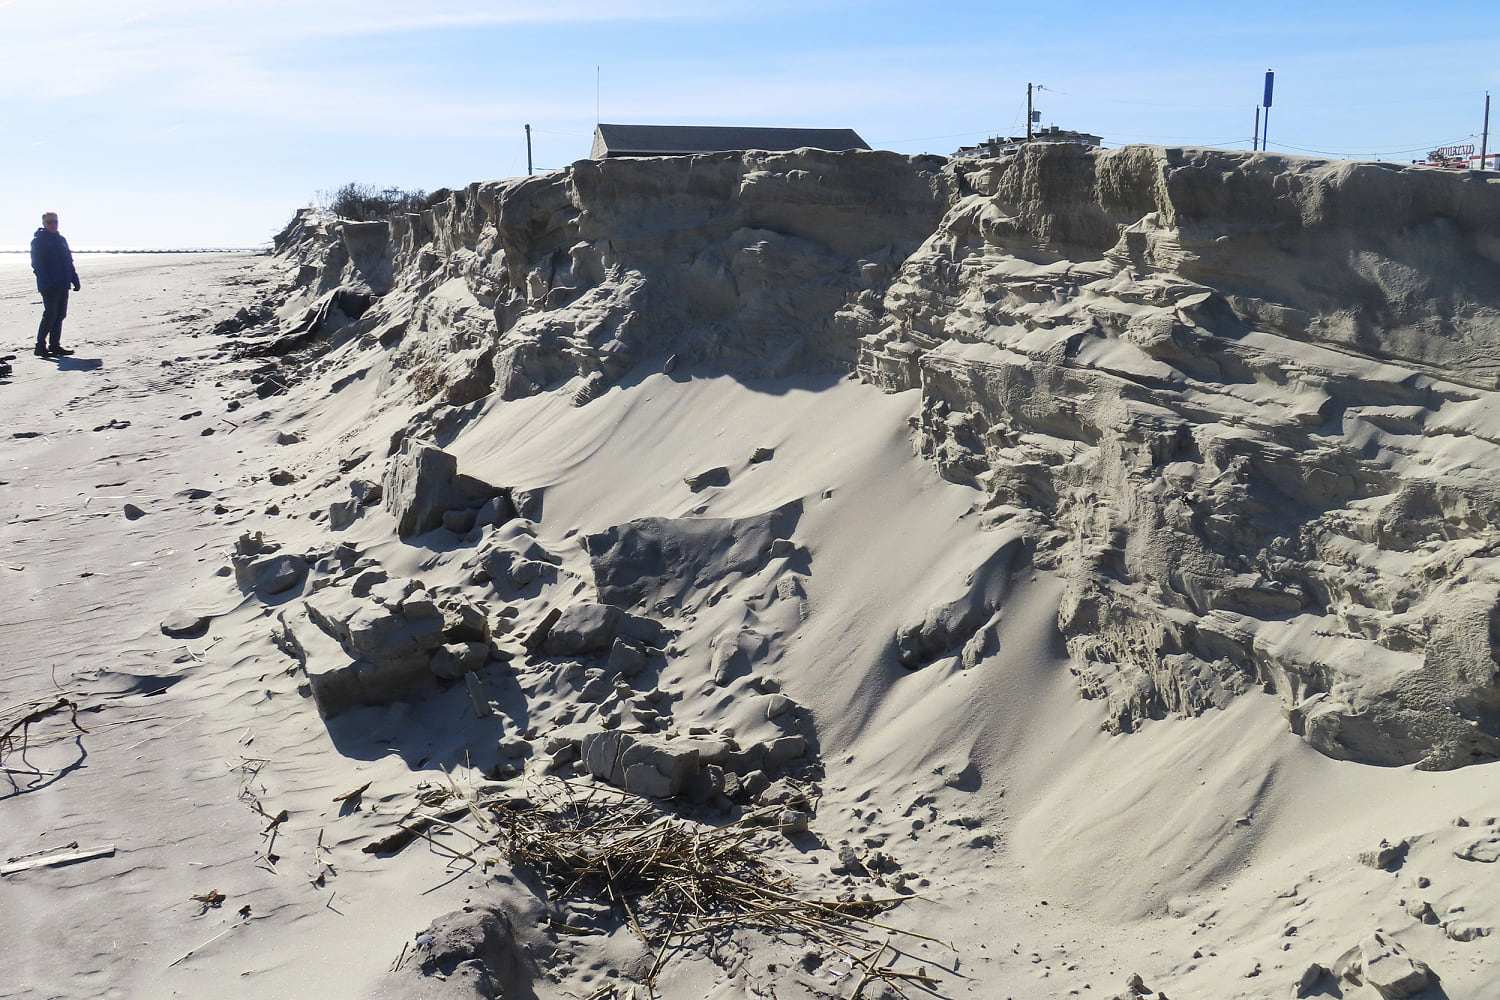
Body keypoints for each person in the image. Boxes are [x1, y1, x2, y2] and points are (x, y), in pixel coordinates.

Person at [30, 211, 80, 357]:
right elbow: (37, 265)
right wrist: (47, 283)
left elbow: (68, 261)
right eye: (49, 222)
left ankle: (54, 345)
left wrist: (74, 278)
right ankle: (40, 346)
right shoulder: (39, 241)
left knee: (60, 315)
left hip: (63, 283)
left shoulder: (61, 240)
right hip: (49, 285)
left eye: (55, 222)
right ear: (44, 224)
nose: (53, 224)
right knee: (50, 315)